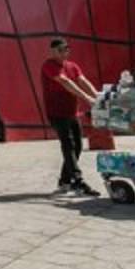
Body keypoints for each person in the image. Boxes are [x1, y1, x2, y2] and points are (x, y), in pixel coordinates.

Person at [40, 38, 100, 196]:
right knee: (68, 145)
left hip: (73, 112)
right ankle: (77, 181)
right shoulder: (49, 66)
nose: (64, 52)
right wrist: (88, 98)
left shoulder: (72, 66)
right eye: (60, 49)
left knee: (78, 146)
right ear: (52, 51)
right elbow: (66, 82)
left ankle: (65, 181)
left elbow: (82, 80)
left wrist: (98, 96)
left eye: (66, 49)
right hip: (57, 113)